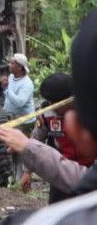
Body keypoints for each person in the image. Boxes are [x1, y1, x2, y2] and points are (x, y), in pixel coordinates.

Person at [0, 10, 97, 225]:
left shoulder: (86, 113)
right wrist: (28, 170)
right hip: (61, 179)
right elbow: (39, 136)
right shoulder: (48, 115)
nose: (49, 106)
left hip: (82, 177)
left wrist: (28, 148)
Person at [18, 73, 94, 203]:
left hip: (91, 172)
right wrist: (27, 171)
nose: (52, 105)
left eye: (55, 102)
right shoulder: (46, 113)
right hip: (62, 173)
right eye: (49, 101)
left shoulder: (90, 111)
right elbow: (36, 140)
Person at [2, 53, 35, 180]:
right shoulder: (11, 77)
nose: (9, 65)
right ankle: (13, 177)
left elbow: (20, 102)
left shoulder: (27, 84)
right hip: (12, 117)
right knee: (11, 146)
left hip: (24, 120)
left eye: (12, 63)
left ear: (20, 67)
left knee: (19, 148)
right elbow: (9, 97)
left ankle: (20, 178)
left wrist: (6, 89)